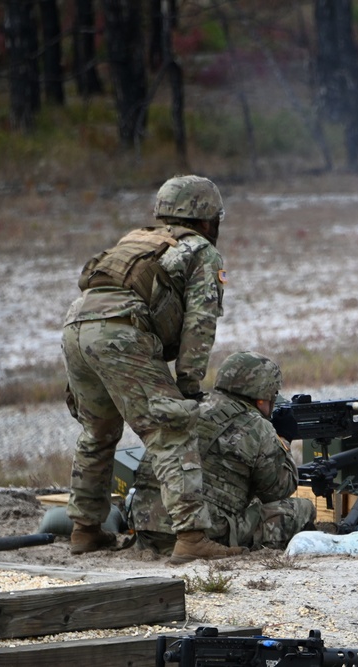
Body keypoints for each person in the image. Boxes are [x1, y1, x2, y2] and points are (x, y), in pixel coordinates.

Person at [62, 174, 245, 563]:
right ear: (208, 218)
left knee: (97, 432)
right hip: (121, 333)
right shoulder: (200, 251)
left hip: (77, 326)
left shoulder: (138, 240)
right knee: (172, 430)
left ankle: (85, 530)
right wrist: (189, 385)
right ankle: (192, 537)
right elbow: (200, 322)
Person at [131, 351, 316, 561]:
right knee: (302, 509)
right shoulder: (257, 426)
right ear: (262, 397)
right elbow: (278, 490)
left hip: (146, 526)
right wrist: (283, 439)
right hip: (200, 535)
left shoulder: (190, 405)